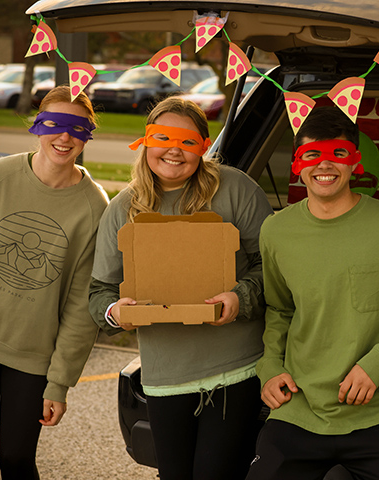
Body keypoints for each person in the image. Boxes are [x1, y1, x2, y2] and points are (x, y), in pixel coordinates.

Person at [88, 96, 273, 480]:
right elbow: (99, 291)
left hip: (234, 370)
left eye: (188, 142)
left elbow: (272, 266)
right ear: (146, 143)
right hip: (164, 376)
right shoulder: (123, 209)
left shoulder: (236, 189)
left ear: (204, 147)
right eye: (164, 138)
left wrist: (242, 297)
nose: (174, 150)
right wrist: (115, 312)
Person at [0, 85, 108, 478]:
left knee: (16, 459)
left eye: (77, 129)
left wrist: (59, 382)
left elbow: (82, 305)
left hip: (34, 357)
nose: (64, 137)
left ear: (87, 136)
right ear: (37, 126)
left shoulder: (94, 206)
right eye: (55, 124)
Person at [246, 106, 379, 480]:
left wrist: (378, 362)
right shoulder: (276, 231)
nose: (324, 165)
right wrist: (270, 368)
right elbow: (279, 311)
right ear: (297, 164)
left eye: (337, 154)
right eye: (312, 154)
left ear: (354, 162)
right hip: (299, 407)